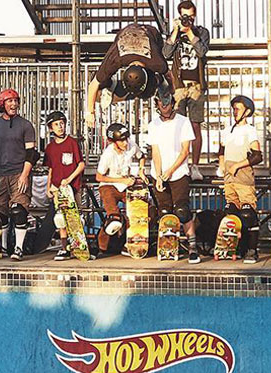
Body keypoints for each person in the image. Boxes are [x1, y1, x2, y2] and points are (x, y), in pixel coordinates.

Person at [146, 87, 199, 263]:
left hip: (178, 173)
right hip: (160, 173)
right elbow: (156, 151)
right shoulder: (153, 125)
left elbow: (185, 151)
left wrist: (170, 171)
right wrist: (160, 175)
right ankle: (168, 245)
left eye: (167, 102)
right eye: (161, 102)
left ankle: (192, 246)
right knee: (164, 211)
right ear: (157, 104)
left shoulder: (183, 122)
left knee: (182, 210)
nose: (164, 105)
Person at [0, 89, 38, 261]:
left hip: (18, 173)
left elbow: (31, 153)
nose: (14, 104)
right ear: (2, 104)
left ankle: (19, 248)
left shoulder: (25, 125)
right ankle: (4, 247)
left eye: (16, 101)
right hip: (0, 174)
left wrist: (24, 175)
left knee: (18, 211)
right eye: (10, 101)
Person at [86, 23, 170, 128]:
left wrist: (170, 91)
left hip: (152, 34)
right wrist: (90, 112)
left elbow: (169, 76)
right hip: (124, 35)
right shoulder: (114, 59)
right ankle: (108, 86)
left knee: (149, 90)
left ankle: (158, 81)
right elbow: (94, 84)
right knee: (101, 78)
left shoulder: (157, 63)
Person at [163, 0, 211, 180]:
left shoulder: (202, 32)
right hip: (179, 86)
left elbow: (202, 52)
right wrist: (176, 31)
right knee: (177, 126)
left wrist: (190, 32)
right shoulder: (175, 33)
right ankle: (179, 164)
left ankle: (195, 165)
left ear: (194, 16)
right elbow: (166, 53)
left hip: (196, 85)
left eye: (190, 17)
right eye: (184, 16)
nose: (187, 20)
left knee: (195, 125)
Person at [218, 95, 262, 263]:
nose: (235, 112)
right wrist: (222, 164)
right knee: (231, 213)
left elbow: (257, 156)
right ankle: (235, 247)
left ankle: (252, 249)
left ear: (247, 112)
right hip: (229, 179)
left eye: (238, 109)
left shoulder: (250, 131)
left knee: (247, 213)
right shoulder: (228, 130)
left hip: (243, 177)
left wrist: (238, 165)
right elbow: (221, 150)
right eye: (234, 109)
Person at [96, 123, 148, 254]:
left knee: (143, 210)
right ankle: (102, 246)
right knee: (114, 218)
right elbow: (99, 177)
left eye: (126, 139)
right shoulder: (108, 154)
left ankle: (129, 243)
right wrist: (121, 180)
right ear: (113, 142)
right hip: (109, 185)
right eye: (121, 141)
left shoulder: (131, 145)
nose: (125, 143)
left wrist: (141, 171)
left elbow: (141, 156)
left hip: (127, 185)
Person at [42, 111, 87, 261]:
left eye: (62, 123)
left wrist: (69, 179)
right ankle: (64, 248)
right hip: (57, 188)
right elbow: (51, 168)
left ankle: (78, 245)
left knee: (75, 217)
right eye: (56, 124)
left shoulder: (72, 142)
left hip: (72, 187)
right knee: (60, 219)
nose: (60, 127)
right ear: (50, 128)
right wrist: (48, 187)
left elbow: (81, 165)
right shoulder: (50, 148)